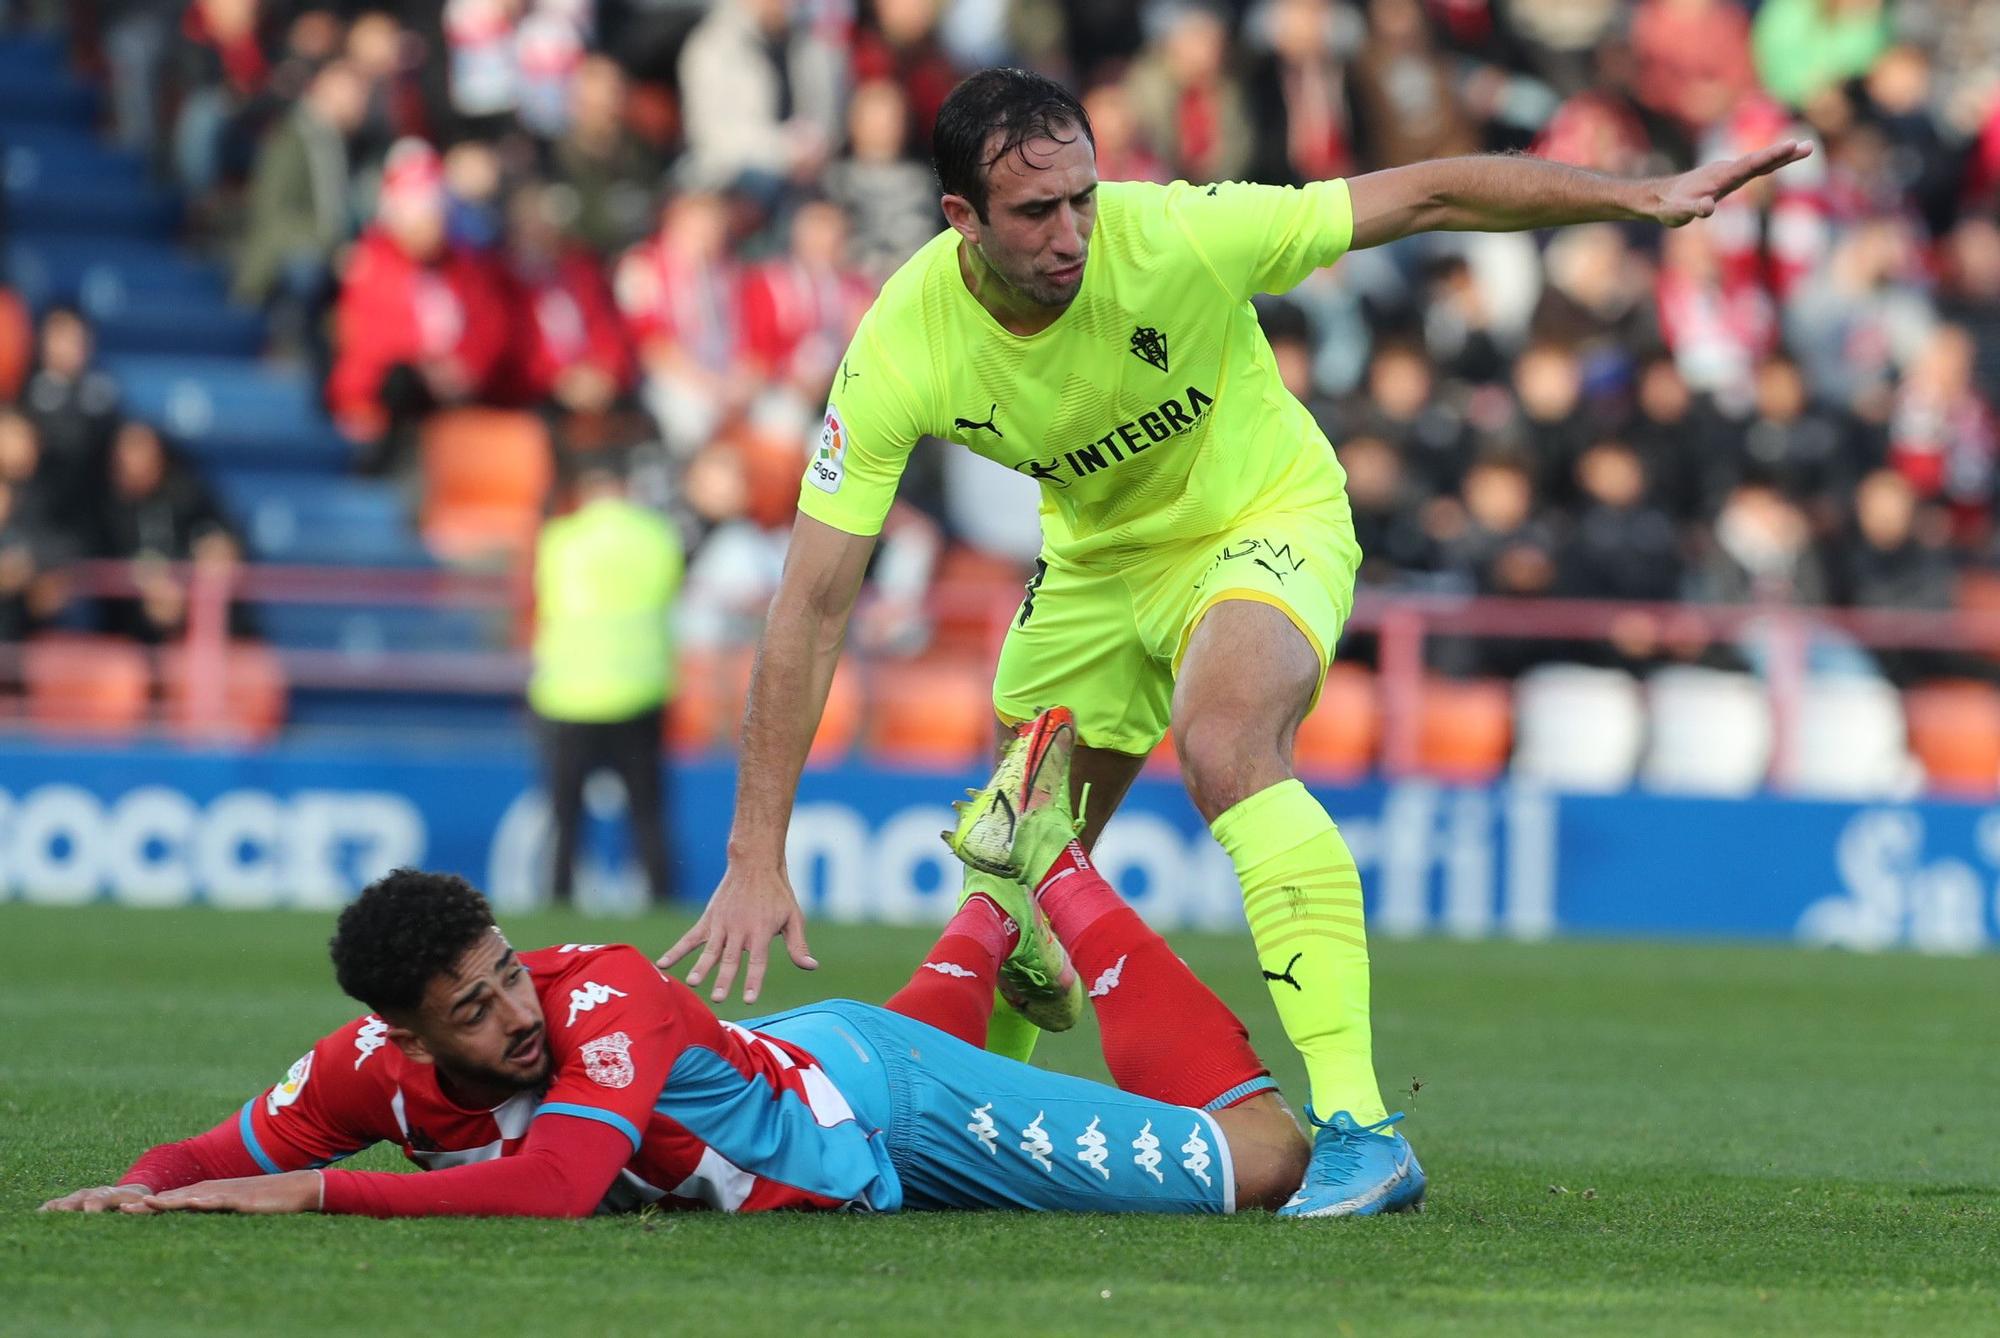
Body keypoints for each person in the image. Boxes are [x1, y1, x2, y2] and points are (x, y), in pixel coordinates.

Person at [663, 66, 1809, 1218]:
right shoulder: (901, 345)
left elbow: (1417, 200)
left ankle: (1360, 1128)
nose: (1070, 234)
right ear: (960, 218)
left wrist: (1638, 196)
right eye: (1033, 213)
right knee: (1014, 867)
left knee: (1222, 747)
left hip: (1264, 519)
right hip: (1098, 567)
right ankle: (973, 1133)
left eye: (1082, 199)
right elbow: (809, 603)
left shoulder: (1176, 234)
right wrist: (754, 854)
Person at [40, 718, 1313, 1218]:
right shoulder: (359, 1075)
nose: (512, 1013)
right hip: (816, 1073)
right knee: (881, 1046)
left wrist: (320, 1199)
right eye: (471, 1012)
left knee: (1267, 1165)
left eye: (504, 973)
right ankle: (984, 908)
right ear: (407, 1042)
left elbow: (554, 1186)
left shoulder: (596, 992)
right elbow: (224, 1151)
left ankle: (1046, 865)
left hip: (885, 1105)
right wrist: (144, 1189)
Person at [529, 457, 682, 907]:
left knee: (565, 817)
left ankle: (558, 901)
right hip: (640, 691)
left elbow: (544, 596)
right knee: (648, 814)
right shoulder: (657, 538)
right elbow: (670, 589)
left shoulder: (560, 540)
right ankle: (660, 902)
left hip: (568, 694)